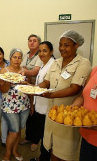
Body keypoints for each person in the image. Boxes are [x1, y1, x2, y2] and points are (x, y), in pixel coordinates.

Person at [38, 30, 91, 161]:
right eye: (60, 45)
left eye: (66, 45)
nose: (62, 48)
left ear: (76, 45)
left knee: (64, 152)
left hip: (68, 113)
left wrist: (51, 95)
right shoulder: (56, 62)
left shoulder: (83, 63)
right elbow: (46, 81)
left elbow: (74, 88)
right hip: (52, 113)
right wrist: (33, 88)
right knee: (50, 146)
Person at [71, 41, 97, 161]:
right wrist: (73, 108)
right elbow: (82, 96)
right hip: (87, 136)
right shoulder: (96, 70)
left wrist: (95, 125)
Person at [0, 48, 30, 161]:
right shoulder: (4, 71)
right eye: (14, 57)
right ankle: (7, 153)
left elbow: (29, 87)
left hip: (24, 104)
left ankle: (14, 150)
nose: (17, 60)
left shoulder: (25, 69)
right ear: (10, 58)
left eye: (19, 57)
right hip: (9, 105)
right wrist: (8, 82)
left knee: (19, 130)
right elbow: (2, 90)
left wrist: (31, 104)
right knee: (14, 130)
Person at [30, 41, 55, 161]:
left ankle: (44, 158)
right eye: (39, 51)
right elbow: (39, 83)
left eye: (45, 50)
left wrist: (32, 88)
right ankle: (43, 157)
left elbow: (47, 84)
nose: (41, 53)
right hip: (39, 105)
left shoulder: (53, 65)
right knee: (42, 134)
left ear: (51, 52)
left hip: (47, 107)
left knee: (47, 136)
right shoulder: (43, 64)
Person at [20, 34, 43, 152]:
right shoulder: (25, 55)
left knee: (36, 114)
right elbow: (21, 67)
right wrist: (24, 71)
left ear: (39, 43)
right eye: (30, 40)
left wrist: (24, 71)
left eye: (35, 41)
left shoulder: (41, 55)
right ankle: (28, 137)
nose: (32, 43)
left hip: (36, 88)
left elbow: (35, 71)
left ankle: (35, 141)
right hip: (26, 87)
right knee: (29, 112)